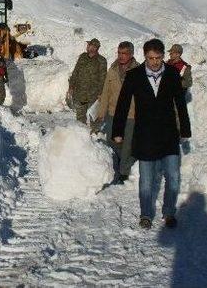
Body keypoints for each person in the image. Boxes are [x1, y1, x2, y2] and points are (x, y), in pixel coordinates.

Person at [112, 38, 191, 230]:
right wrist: (117, 131)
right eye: (150, 58)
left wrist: (185, 130)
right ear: (144, 56)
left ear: (163, 56)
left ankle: (169, 212)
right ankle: (146, 214)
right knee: (146, 181)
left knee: (172, 176)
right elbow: (122, 104)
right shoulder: (134, 76)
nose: (154, 62)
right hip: (145, 136)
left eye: (158, 58)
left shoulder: (172, 74)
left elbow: (180, 104)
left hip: (168, 134)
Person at [95, 41, 139, 184]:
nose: (121, 56)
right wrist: (101, 113)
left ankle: (124, 172)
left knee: (127, 145)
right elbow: (106, 92)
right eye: (119, 53)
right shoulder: (112, 70)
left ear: (131, 54)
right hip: (113, 113)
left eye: (124, 53)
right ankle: (121, 165)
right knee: (113, 142)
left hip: (131, 114)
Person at [68, 38, 107, 125]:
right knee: (80, 117)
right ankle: (81, 133)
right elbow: (75, 72)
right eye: (88, 45)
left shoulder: (101, 60)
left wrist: (101, 93)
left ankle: (95, 135)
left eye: (89, 45)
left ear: (95, 48)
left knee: (94, 116)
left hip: (93, 95)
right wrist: (71, 86)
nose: (88, 46)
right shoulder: (82, 57)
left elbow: (103, 78)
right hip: (80, 93)